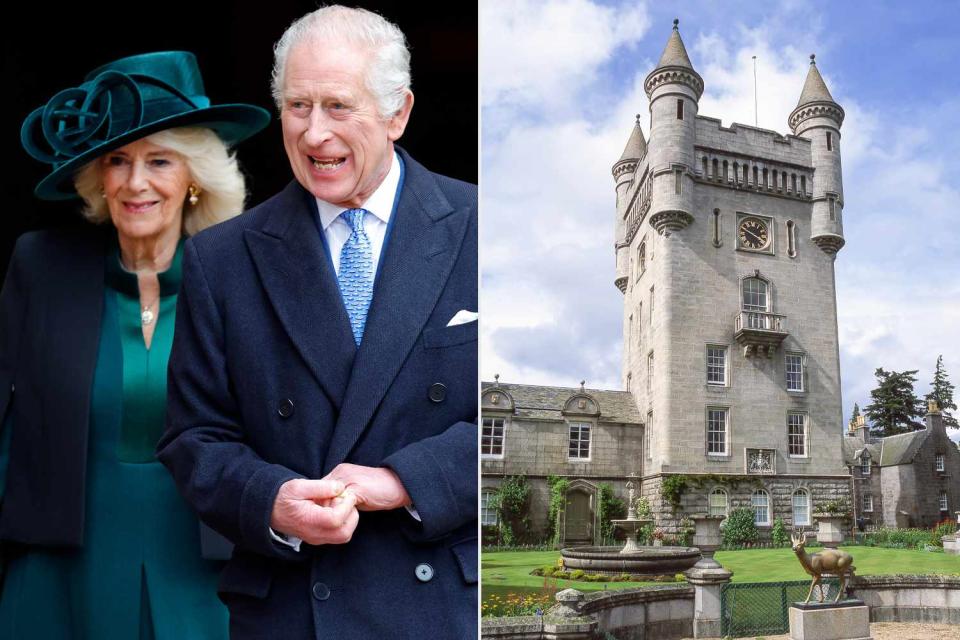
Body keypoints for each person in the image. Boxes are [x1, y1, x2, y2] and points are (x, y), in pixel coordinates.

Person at [157, 6, 478, 639]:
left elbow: (511, 421)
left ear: (398, 113)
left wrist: (405, 480)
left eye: (338, 106)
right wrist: (271, 501)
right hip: (292, 609)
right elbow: (193, 438)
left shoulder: (484, 225)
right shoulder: (221, 257)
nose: (313, 134)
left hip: (444, 604)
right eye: (297, 107)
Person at [0, 51, 270, 639]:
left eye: (159, 160)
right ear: (97, 175)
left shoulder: (246, 283)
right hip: (59, 575)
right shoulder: (41, 266)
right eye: (117, 160)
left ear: (194, 176)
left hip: (204, 575)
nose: (135, 182)